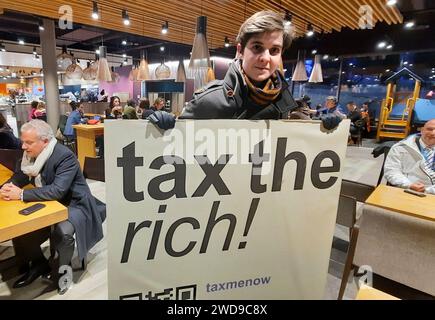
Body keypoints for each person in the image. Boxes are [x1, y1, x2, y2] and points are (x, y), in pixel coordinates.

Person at [177, 11, 341, 130]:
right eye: (257, 47)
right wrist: (159, 130)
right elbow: (175, 149)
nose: (265, 58)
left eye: (274, 50)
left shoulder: (286, 104)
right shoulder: (209, 100)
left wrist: (323, 131)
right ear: (241, 51)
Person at [0, 120, 106, 293]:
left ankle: (62, 272)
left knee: (62, 234)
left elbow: (57, 191)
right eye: (23, 141)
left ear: (45, 141)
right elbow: (21, 175)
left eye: (29, 142)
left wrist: (20, 194)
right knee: (22, 229)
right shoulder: (30, 155)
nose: (23, 146)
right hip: (49, 203)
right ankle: (38, 264)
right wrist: (7, 186)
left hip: (74, 204)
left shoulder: (64, 156)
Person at [384, 119, 435, 194]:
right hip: (409, 190)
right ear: (422, 130)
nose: (433, 133)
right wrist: (409, 184)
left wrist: (430, 190)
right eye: (429, 129)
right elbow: (391, 171)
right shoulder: (400, 147)